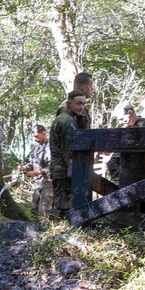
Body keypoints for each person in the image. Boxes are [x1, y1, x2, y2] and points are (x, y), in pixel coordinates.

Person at [50, 90, 86, 220]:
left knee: (60, 203)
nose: (81, 107)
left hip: (59, 168)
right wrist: (75, 172)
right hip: (63, 170)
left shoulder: (64, 119)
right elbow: (69, 151)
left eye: (83, 104)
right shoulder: (67, 122)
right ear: (69, 103)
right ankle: (58, 232)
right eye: (78, 103)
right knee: (63, 205)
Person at [18, 125, 53, 218]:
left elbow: (53, 166)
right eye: (33, 137)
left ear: (44, 134)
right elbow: (31, 163)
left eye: (37, 136)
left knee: (44, 208)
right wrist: (24, 168)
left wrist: (37, 172)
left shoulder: (50, 147)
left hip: (48, 182)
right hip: (38, 182)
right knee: (34, 208)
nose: (35, 139)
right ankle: (35, 228)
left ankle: (45, 229)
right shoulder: (35, 148)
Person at [104, 101, 139, 183]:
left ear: (130, 112)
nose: (120, 122)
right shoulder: (125, 130)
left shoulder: (144, 124)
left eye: (122, 119)